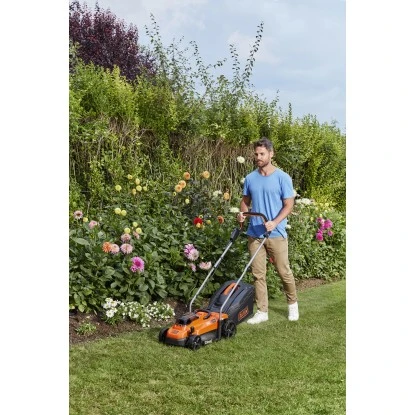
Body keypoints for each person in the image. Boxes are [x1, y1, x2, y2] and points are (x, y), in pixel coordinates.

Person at [237, 137, 299, 323]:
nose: (258, 157)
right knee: (258, 274)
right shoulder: (250, 178)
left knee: (283, 271)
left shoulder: (282, 177)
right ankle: (262, 311)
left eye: (262, 154)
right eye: (256, 154)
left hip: (276, 233)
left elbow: (289, 205)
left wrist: (275, 222)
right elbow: (245, 202)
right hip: (255, 233)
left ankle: (292, 305)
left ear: (271, 154)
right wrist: (242, 214)